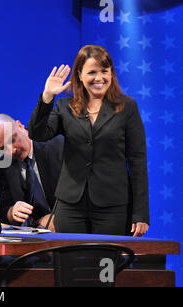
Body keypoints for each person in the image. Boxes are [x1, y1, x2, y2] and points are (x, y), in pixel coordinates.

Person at [28, 45, 149, 236]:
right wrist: (47, 97)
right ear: (80, 75)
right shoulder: (64, 106)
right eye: (92, 72)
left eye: (104, 71)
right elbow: (37, 134)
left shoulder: (127, 108)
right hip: (70, 205)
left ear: (112, 74)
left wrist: (140, 213)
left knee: (105, 263)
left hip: (112, 205)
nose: (99, 78)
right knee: (70, 262)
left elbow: (138, 162)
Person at [0, 114, 63, 230]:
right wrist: (12, 212)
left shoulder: (57, 145)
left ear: (20, 126)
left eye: (12, 140)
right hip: (36, 235)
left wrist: (58, 218)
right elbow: (2, 212)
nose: (12, 150)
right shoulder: (0, 167)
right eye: (2, 148)